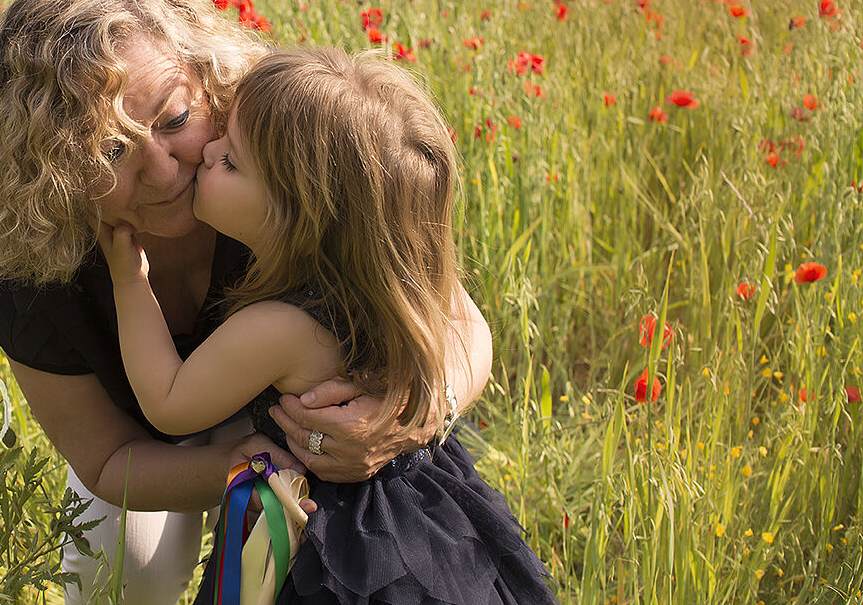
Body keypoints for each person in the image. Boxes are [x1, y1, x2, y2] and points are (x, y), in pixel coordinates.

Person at [0, 0, 494, 604]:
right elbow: (104, 459)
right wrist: (248, 467)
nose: (164, 170)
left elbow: (450, 315)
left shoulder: (279, 144)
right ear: (50, 171)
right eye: (110, 152)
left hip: (328, 439)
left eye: (175, 121)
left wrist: (412, 415)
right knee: (122, 574)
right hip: (157, 449)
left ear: (210, 79)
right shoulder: (29, 259)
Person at [98, 48, 558, 604]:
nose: (210, 149)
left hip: (330, 542)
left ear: (297, 217)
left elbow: (169, 401)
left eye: (231, 164)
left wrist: (129, 281)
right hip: (433, 512)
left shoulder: (281, 327)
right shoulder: (389, 281)